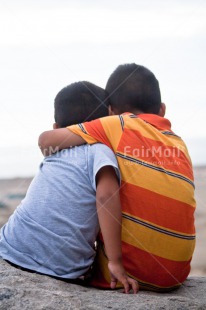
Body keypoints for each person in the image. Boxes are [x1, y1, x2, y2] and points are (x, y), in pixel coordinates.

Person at [38, 64, 196, 292]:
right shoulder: (179, 144)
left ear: (110, 111)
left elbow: (47, 142)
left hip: (128, 276)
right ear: (162, 110)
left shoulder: (117, 124)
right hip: (176, 275)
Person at [0, 81, 138, 294]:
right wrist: (115, 261)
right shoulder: (100, 150)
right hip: (63, 268)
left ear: (57, 128)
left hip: (11, 246)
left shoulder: (55, 149)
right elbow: (106, 197)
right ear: (106, 121)